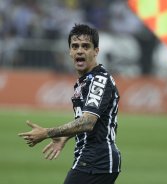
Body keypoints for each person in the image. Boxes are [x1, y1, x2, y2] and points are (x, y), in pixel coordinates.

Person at [18, 24, 121, 184]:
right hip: (94, 159)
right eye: (75, 46)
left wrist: (47, 133)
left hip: (96, 160)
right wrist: (65, 137)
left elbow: (88, 122)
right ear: (70, 52)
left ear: (96, 51)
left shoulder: (98, 80)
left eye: (86, 46)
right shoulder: (85, 81)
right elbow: (90, 120)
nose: (80, 50)